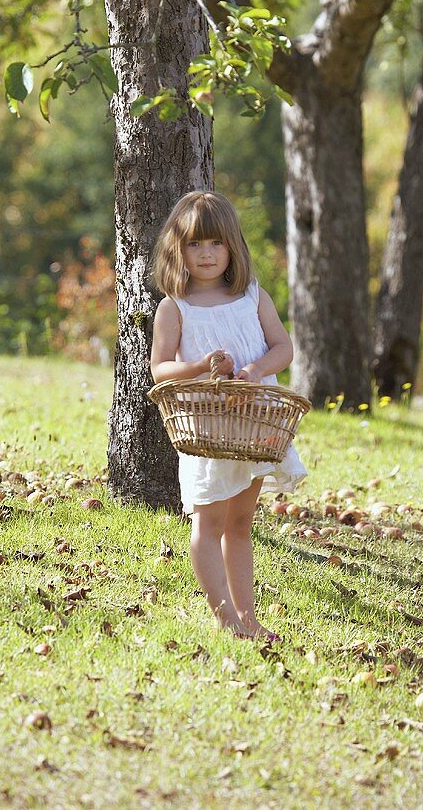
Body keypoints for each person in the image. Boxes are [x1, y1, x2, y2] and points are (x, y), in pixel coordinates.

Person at [150, 191, 307, 639]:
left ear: (232, 247)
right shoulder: (174, 307)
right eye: (195, 244)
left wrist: (255, 370)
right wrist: (201, 367)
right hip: (207, 428)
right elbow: (160, 369)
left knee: (240, 524)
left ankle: (249, 619)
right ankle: (226, 619)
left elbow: (283, 347)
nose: (205, 253)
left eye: (215, 243)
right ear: (177, 249)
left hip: (254, 427)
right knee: (209, 521)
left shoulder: (251, 297)